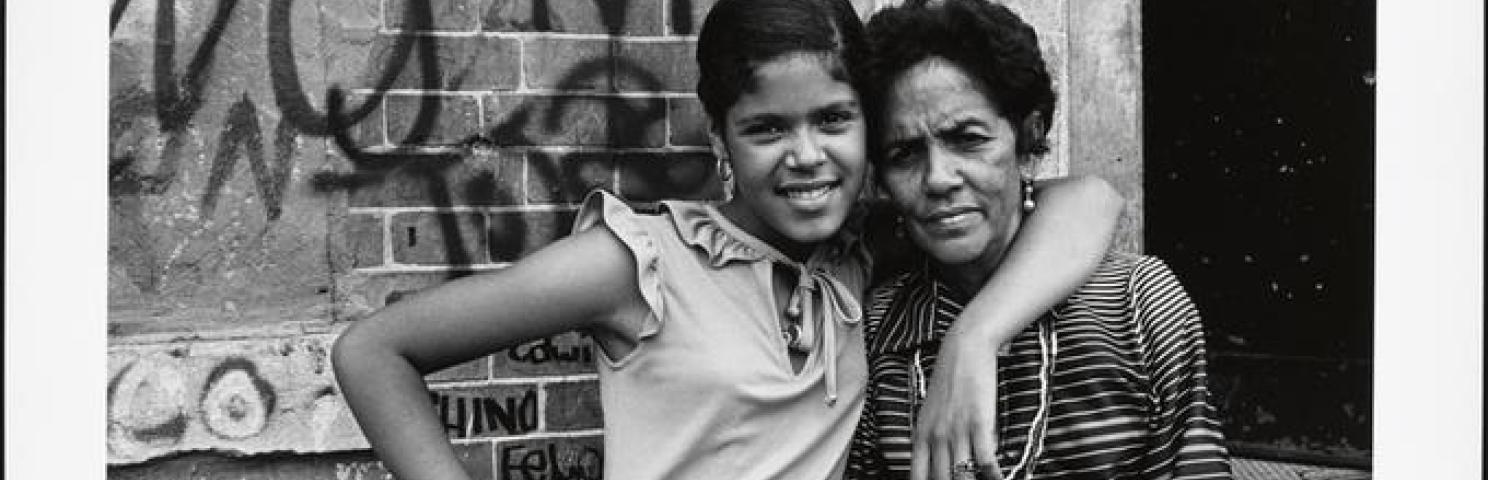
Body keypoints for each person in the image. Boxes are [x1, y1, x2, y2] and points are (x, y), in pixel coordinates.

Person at [332, 0, 1121, 478]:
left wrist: (974, 340)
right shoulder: (637, 262)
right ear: (722, 139)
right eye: (767, 128)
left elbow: (1086, 198)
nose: (806, 157)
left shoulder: (860, 252)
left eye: (834, 121)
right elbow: (373, 352)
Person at [846, 1, 1232, 479]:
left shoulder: (1136, 304)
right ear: (880, 177)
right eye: (904, 154)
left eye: (967, 139)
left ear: (1027, 142)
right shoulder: (878, 327)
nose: (938, 178)